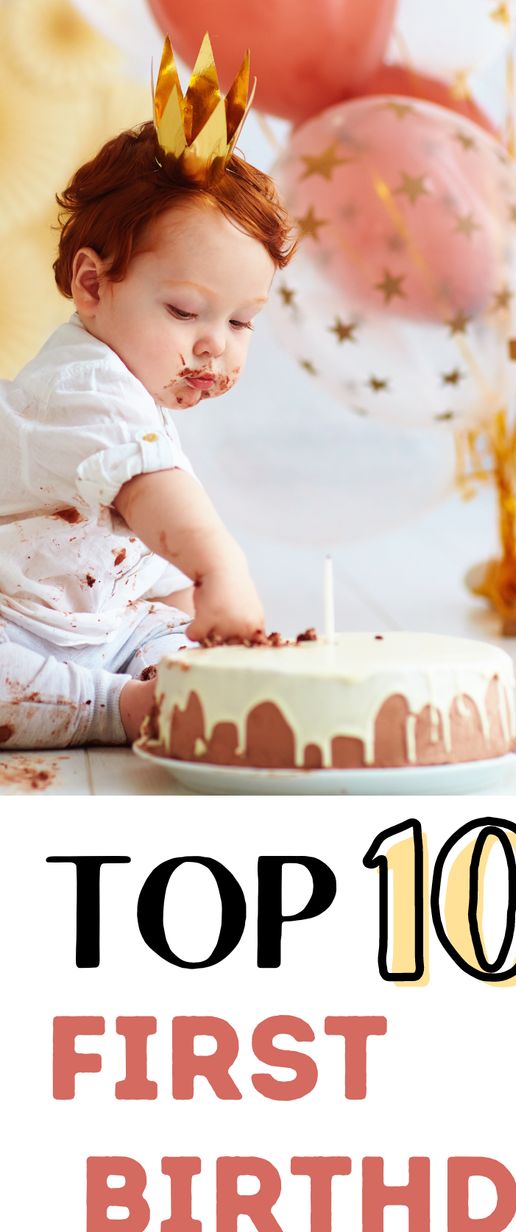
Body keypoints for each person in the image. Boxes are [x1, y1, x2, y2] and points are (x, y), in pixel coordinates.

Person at [0, 36, 294, 749]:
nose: (214, 343)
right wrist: (221, 571)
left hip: (105, 625)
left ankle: (164, 691)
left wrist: (186, 612)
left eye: (241, 321)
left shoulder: (137, 382)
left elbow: (143, 554)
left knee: (173, 631)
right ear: (93, 285)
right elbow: (161, 501)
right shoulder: (81, 384)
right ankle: (114, 708)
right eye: (186, 311)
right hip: (19, 626)